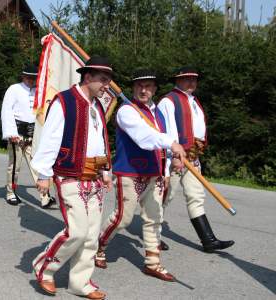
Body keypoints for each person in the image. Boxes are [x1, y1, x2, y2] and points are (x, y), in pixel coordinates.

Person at [30, 56, 113, 299]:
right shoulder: (64, 101)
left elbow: (100, 142)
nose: (107, 85)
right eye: (103, 80)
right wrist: (43, 174)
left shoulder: (97, 105)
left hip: (94, 177)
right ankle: (44, 267)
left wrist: (106, 171)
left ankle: (80, 282)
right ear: (88, 77)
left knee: (91, 235)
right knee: (76, 231)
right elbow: (51, 138)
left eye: (108, 80)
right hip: (69, 174)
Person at [95, 69, 186, 281]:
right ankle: (98, 246)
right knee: (122, 219)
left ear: (154, 89)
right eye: (139, 86)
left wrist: (171, 161)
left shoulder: (158, 113)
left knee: (155, 218)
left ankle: (153, 263)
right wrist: (171, 143)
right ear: (133, 88)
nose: (143, 90)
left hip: (154, 173)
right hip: (130, 172)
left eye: (148, 86)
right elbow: (145, 137)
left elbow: (164, 141)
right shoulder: (126, 111)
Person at [157, 66, 234, 253]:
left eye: (194, 79)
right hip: (174, 158)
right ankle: (154, 237)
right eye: (187, 79)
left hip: (192, 157)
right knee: (165, 197)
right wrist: (174, 156)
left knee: (196, 196)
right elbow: (165, 132)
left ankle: (208, 240)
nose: (191, 82)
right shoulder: (168, 101)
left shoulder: (194, 100)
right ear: (178, 80)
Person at [1, 65, 56, 208]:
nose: (31, 80)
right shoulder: (14, 89)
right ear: (23, 76)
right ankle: (11, 192)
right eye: (28, 77)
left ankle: (45, 196)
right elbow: (7, 111)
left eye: (33, 77)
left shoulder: (39, 92)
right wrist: (11, 133)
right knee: (14, 166)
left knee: (38, 166)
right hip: (17, 134)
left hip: (33, 134)